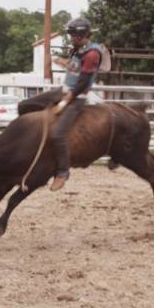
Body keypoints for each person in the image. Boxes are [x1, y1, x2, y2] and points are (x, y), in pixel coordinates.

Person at [49, 18, 103, 191]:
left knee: (58, 134)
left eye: (73, 34)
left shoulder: (92, 54)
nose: (70, 37)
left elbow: (83, 82)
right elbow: (75, 68)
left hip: (76, 98)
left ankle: (63, 172)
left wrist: (66, 101)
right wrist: (61, 61)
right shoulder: (78, 50)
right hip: (64, 91)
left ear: (81, 34)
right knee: (27, 105)